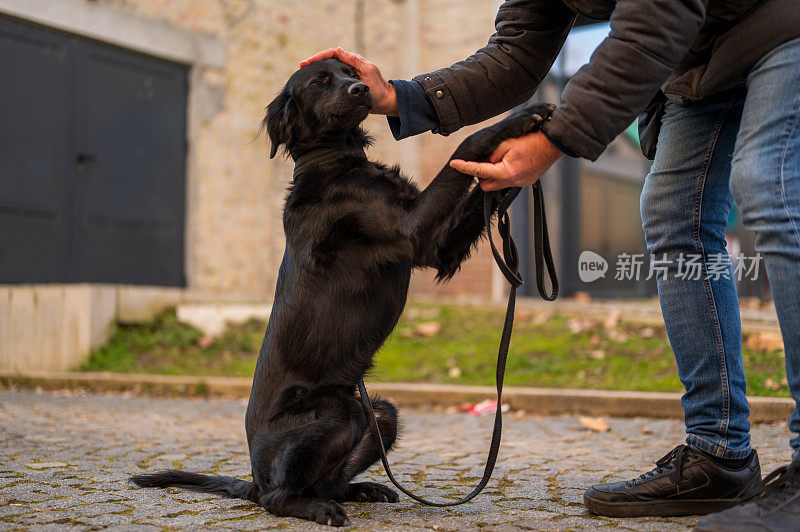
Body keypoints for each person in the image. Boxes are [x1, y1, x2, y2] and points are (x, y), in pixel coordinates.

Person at [300, 0, 800, 528]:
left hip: (779, 26)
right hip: (700, 65)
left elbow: (658, 16)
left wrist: (555, 138)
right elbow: (517, 53)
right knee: (675, 217)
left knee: (768, 185)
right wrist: (403, 95)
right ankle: (718, 455)